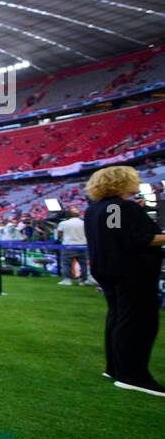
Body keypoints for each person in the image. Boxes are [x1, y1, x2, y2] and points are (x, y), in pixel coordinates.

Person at [83, 166, 165, 397]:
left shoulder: (97, 208)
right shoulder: (118, 207)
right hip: (130, 270)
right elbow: (132, 240)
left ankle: (116, 367)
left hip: (109, 270)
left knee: (118, 317)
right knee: (136, 322)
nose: (137, 181)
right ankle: (132, 374)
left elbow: (115, 235)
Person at [55, 208, 93, 286]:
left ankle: (67, 279)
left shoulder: (63, 223)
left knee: (66, 263)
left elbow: (59, 235)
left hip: (68, 245)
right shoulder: (84, 223)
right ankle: (82, 280)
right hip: (82, 245)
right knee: (83, 264)